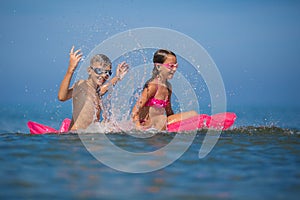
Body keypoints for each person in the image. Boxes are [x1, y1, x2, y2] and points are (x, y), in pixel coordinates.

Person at [58, 46, 129, 131]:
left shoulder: (97, 91)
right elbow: (62, 97)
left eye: (107, 72)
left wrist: (118, 77)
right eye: (99, 71)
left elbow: (105, 88)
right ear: (89, 70)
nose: (103, 75)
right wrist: (70, 69)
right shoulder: (82, 85)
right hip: (75, 138)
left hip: (89, 137)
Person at [131, 49, 198, 131]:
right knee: (161, 119)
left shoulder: (168, 87)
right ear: (158, 66)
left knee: (193, 114)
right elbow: (135, 112)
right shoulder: (152, 86)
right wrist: (139, 128)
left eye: (176, 66)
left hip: (161, 122)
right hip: (149, 123)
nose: (174, 69)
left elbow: (169, 113)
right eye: (171, 66)